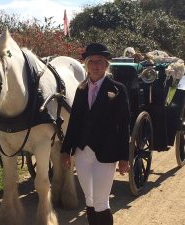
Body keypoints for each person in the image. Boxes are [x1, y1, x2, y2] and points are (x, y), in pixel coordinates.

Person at [61, 43, 130, 225]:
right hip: (83, 152)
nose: (95, 65)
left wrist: (124, 158)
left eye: (100, 61)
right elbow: (74, 121)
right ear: (86, 64)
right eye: (92, 61)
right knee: (89, 200)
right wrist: (65, 150)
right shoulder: (81, 89)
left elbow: (124, 126)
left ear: (106, 64)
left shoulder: (118, 89)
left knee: (101, 202)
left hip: (106, 153)